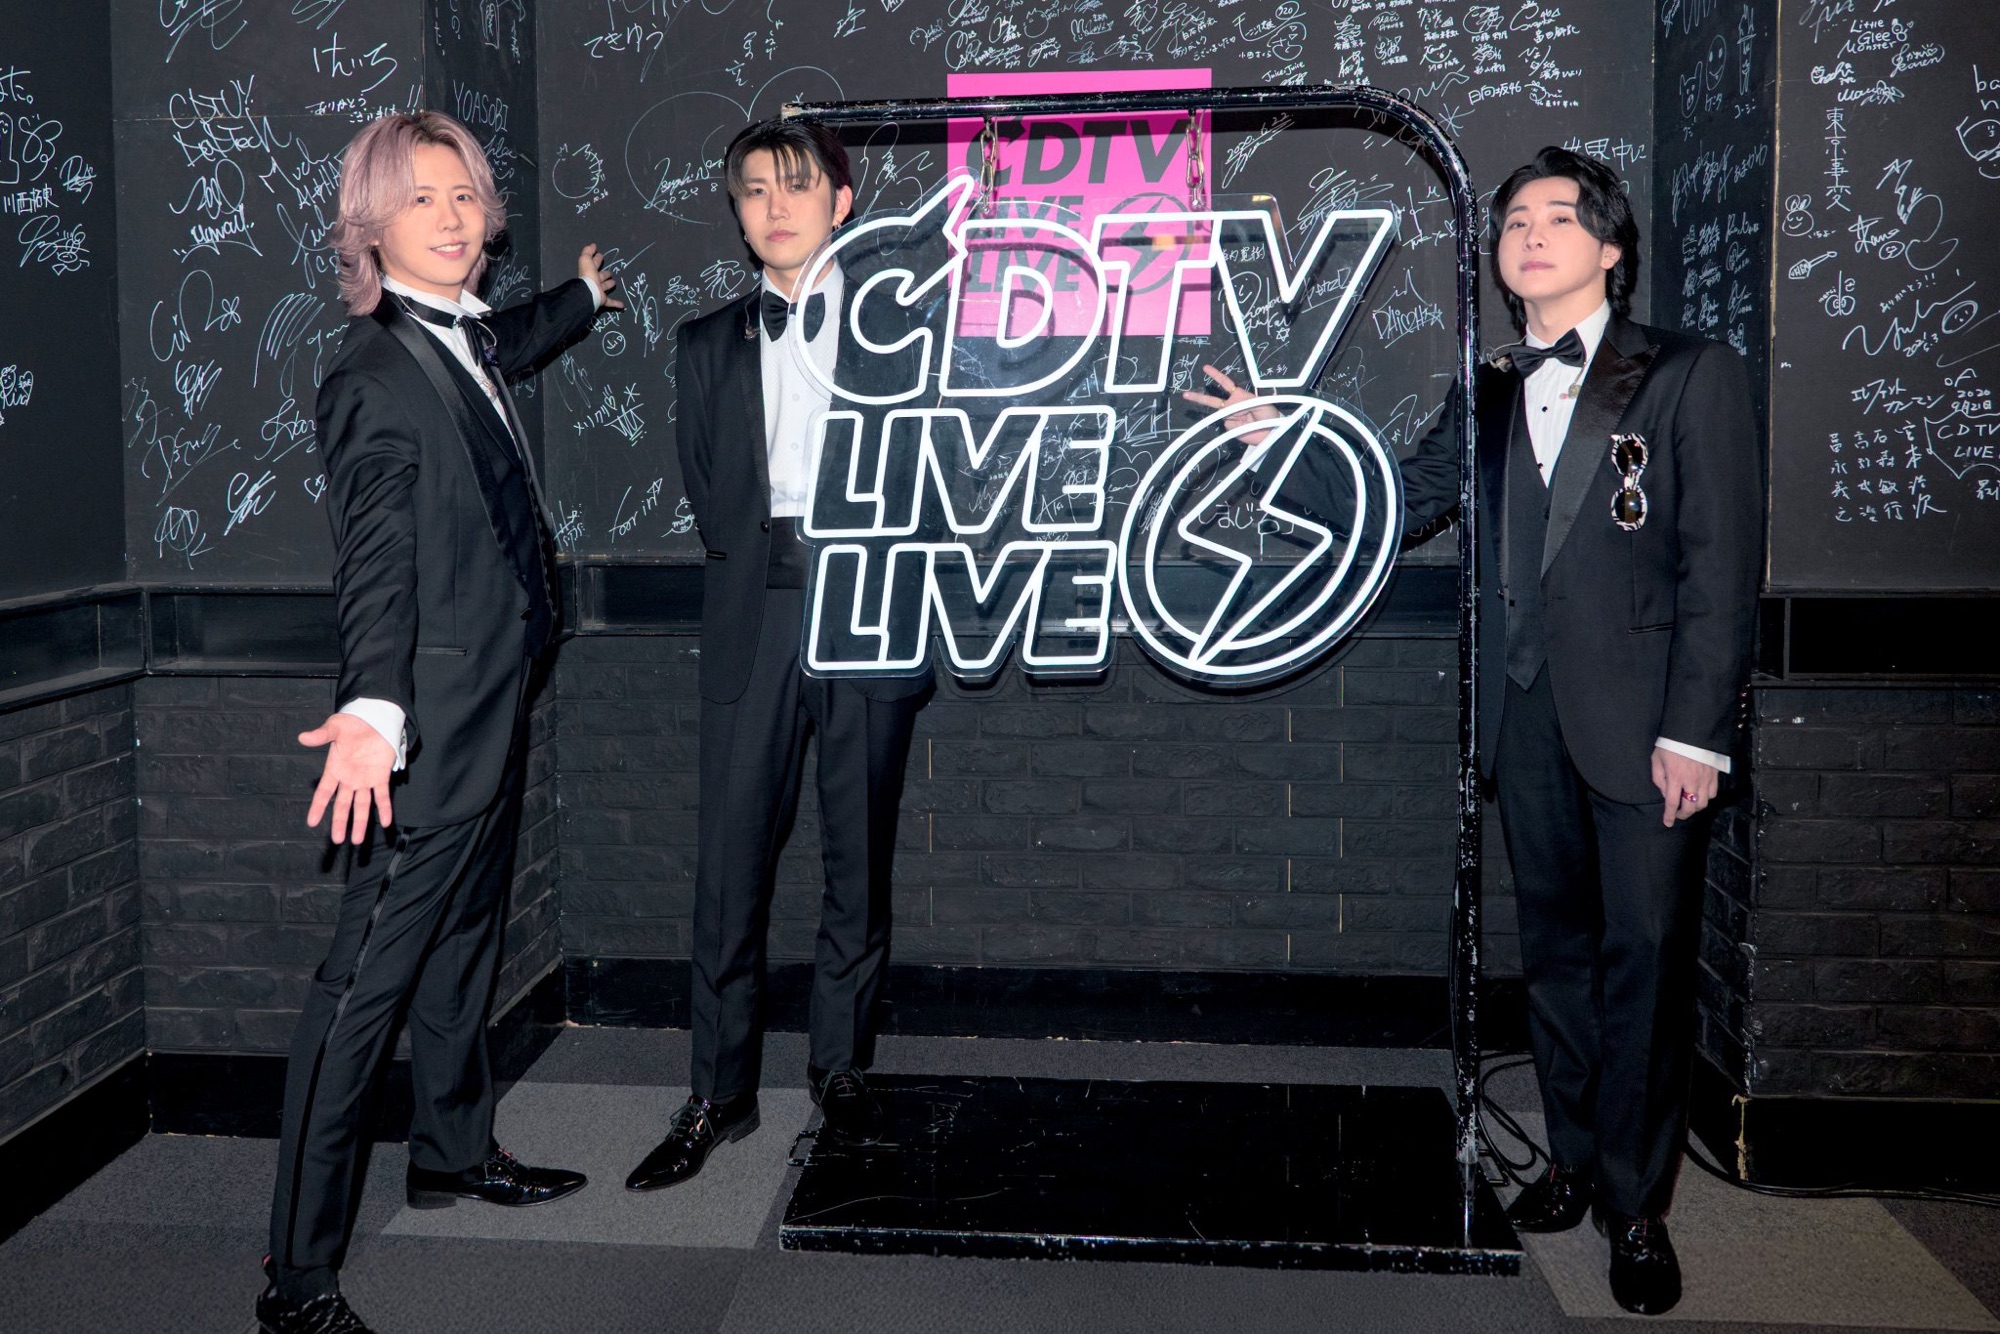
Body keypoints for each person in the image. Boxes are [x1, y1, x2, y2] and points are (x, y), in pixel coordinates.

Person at [1189, 145, 1761, 1316]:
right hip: (1523, 715)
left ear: (1609, 247)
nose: (1529, 235)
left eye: (1557, 217)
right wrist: (1273, 443)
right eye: (1511, 222)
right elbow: (1398, 504)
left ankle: (1635, 1206)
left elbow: (1718, 568)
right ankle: (1569, 1159)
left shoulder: (1686, 373)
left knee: (1643, 961)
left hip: (1646, 728)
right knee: (1552, 957)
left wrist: (1695, 733)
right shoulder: (1488, 387)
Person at [259, 110, 619, 1334]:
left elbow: (516, 338)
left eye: (464, 193)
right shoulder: (370, 374)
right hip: (421, 729)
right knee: (357, 996)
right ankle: (296, 1283)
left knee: (465, 945)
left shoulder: (467, 335)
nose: (454, 217)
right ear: (371, 225)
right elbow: (374, 558)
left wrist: (581, 298)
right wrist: (372, 708)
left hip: (496, 704)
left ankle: (451, 1152)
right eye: (421, 199)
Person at [625, 117, 931, 1193]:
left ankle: (840, 1069)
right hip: (753, 614)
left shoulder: (904, 329)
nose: (775, 206)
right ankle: (718, 1093)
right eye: (754, 189)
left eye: (797, 185)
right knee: (728, 867)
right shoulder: (705, 342)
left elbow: (937, 471)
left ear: (841, 202)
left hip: (868, 609)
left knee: (858, 854)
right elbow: (712, 491)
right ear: (738, 210)